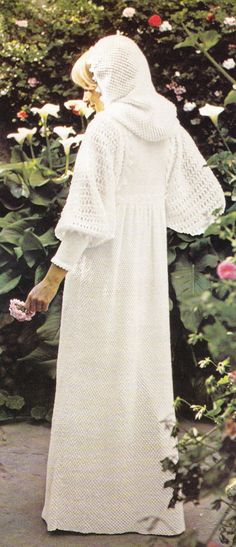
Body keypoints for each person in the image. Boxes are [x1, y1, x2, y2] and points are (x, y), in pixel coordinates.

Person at [24, 34, 226, 536]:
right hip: (146, 266)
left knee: (94, 375)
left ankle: (86, 505)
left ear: (112, 81)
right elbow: (204, 199)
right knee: (142, 374)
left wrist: (50, 281)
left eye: (91, 85)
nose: (89, 97)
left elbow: (87, 217)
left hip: (104, 266)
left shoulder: (107, 130)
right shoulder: (167, 125)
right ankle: (149, 505)